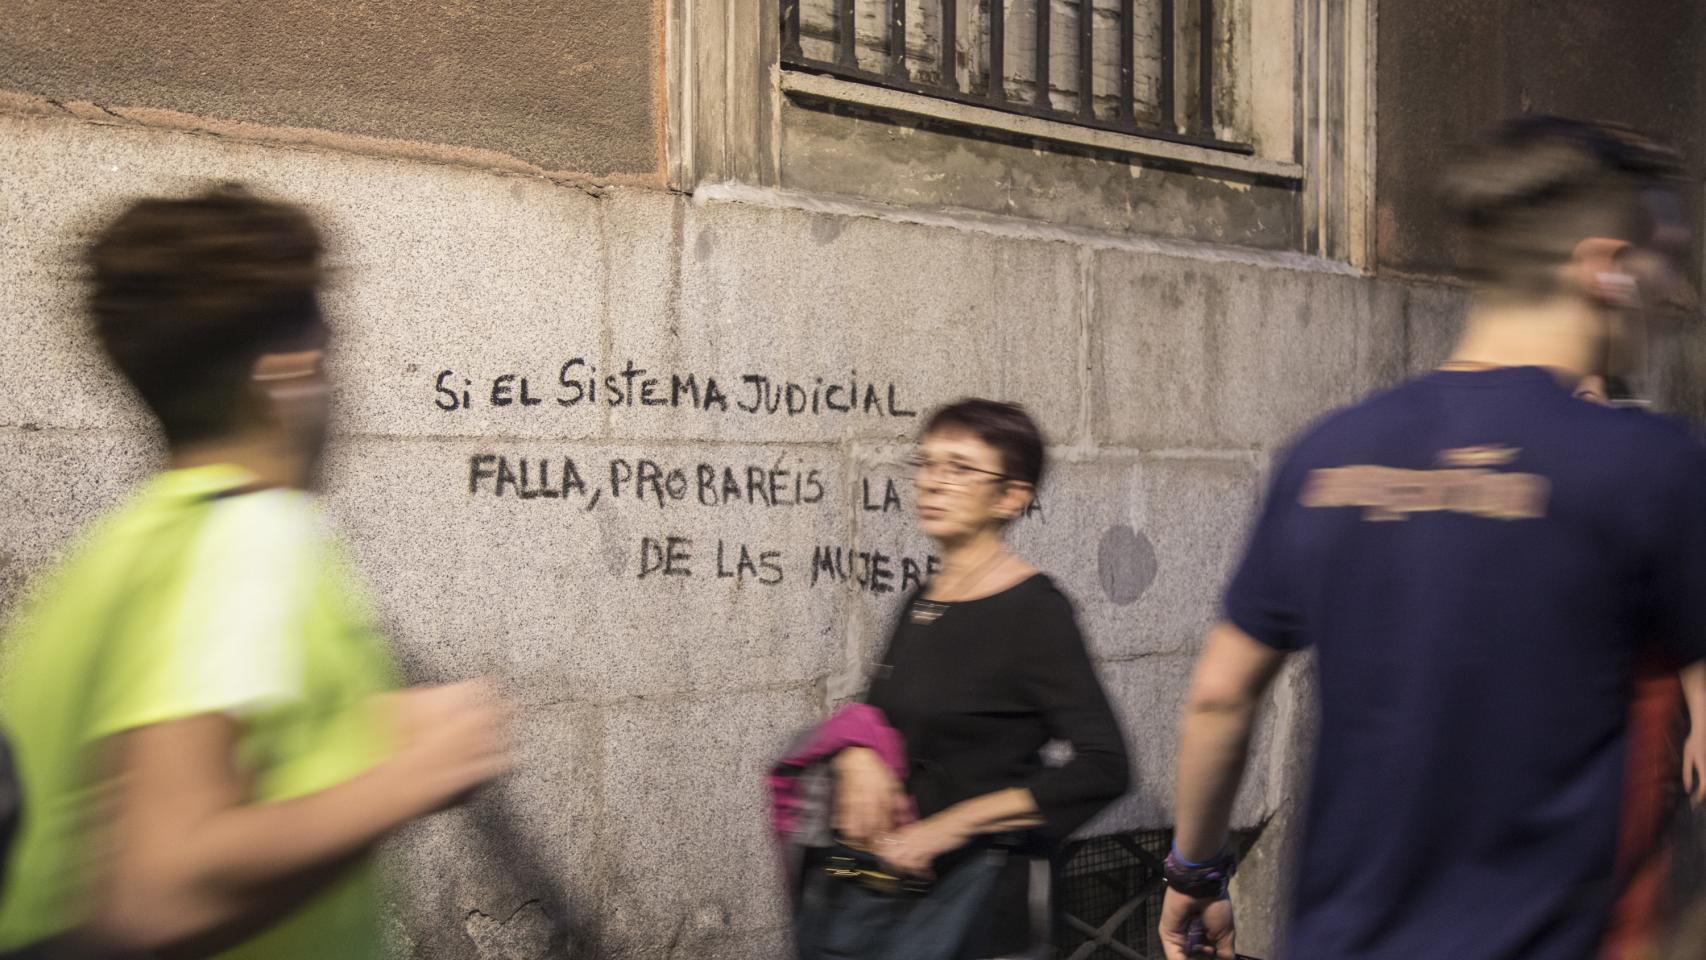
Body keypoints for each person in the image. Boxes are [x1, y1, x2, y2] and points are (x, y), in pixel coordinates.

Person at [1159, 117, 1706, 960]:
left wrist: (1195, 874)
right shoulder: (1654, 467)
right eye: (1664, 259)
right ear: (1605, 268)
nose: (1676, 290)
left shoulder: (1329, 450)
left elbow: (1221, 695)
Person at [0, 185, 512, 958]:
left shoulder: (123, 551)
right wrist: (414, 775)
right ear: (291, 371)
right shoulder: (249, 539)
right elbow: (158, 887)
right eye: (334, 347)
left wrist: (355, 738)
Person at [832, 398, 1130, 959]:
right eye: (927, 463)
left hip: (989, 903)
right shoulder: (924, 598)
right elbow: (881, 720)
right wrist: (857, 754)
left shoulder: (1034, 611)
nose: (933, 482)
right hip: (905, 896)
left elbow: (1106, 766)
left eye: (960, 468)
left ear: (1011, 496)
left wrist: (952, 827)